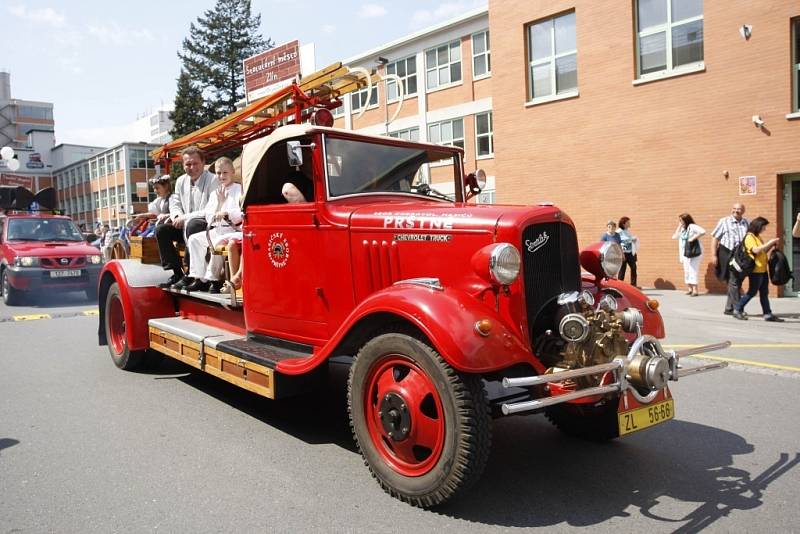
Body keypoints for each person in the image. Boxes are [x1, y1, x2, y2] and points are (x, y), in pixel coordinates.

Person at [156, 146, 219, 288]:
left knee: (193, 224)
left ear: (203, 163)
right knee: (162, 230)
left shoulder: (213, 180)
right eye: (187, 164)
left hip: (207, 227)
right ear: (183, 165)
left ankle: (191, 273)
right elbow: (175, 202)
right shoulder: (180, 181)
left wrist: (185, 218)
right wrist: (177, 215)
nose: (192, 167)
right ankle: (177, 272)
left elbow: (209, 210)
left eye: (195, 163)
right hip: (184, 225)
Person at [182, 157, 243, 292]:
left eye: (225, 173)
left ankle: (213, 279)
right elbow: (209, 215)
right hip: (218, 229)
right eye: (218, 173)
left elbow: (242, 212)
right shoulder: (216, 193)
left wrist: (226, 212)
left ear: (232, 172)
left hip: (233, 231)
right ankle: (199, 278)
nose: (221, 176)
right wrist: (220, 204)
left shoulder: (240, 190)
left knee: (217, 243)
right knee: (194, 239)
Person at [733, 217, 783, 322]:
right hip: (755, 270)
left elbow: (762, 251)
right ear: (758, 226)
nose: (764, 229)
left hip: (762, 269)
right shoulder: (749, 237)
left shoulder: (757, 237)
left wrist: (771, 245)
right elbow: (755, 250)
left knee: (764, 292)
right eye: (764, 226)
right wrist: (769, 242)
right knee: (752, 292)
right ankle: (737, 309)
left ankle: (767, 314)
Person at [710, 203, 749, 315]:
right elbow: (715, 238)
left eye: (739, 209)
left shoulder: (747, 222)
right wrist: (713, 255)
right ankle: (738, 308)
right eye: (734, 208)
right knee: (733, 281)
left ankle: (728, 308)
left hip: (740, 255)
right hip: (726, 253)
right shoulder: (724, 221)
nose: (736, 211)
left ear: (743, 211)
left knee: (736, 281)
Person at [672, 213, 706, 296]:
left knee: (693, 270)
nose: (680, 222)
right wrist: (679, 226)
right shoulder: (683, 229)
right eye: (679, 220)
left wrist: (693, 238)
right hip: (685, 253)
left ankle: (695, 290)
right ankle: (690, 289)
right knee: (686, 270)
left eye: (681, 220)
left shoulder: (692, 226)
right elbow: (674, 237)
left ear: (686, 220)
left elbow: (703, 231)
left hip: (694, 252)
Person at [616, 216, 639, 286]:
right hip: (623, 253)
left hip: (630, 252)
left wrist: (633, 240)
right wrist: (630, 239)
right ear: (624, 223)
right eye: (628, 222)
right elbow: (619, 241)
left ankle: (633, 285)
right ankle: (619, 286)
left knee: (634, 267)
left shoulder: (628, 231)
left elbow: (629, 239)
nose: (629, 223)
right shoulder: (618, 232)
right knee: (622, 269)